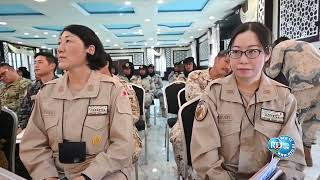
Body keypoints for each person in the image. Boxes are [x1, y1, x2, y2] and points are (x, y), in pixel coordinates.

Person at [191, 22, 306, 180]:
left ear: (267, 54)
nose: (242, 60)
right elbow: (205, 157)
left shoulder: (284, 98)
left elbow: (291, 159)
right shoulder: (213, 94)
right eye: (236, 52)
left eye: (252, 51)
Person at [20, 24, 134, 180]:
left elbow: (123, 146)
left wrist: (87, 176)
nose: (60, 49)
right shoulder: (47, 92)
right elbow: (33, 144)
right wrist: (47, 175)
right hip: (57, 172)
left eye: (68, 41)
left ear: (90, 49)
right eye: (59, 43)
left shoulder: (112, 90)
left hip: (104, 172)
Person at [170, 50, 231, 177]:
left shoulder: (230, 81)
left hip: (221, 121)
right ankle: (185, 173)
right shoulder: (196, 75)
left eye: (232, 64)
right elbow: (192, 98)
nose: (228, 67)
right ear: (216, 60)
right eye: (226, 61)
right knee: (177, 137)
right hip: (192, 118)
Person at [265, 37, 320, 167]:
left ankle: (287, 158)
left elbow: (273, 72)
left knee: (293, 122)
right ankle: (307, 152)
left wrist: (264, 69)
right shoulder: (308, 45)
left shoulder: (280, 47)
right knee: (313, 120)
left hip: (304, 84)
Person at [18, 52, 58, 130]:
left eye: (40, 62)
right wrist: (22, 127)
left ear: (52, 66)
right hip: (34, 128)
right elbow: (24, 110)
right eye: (35, 63)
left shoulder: (61, 86)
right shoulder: (33, 88)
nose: (36, 65)